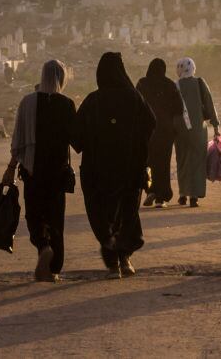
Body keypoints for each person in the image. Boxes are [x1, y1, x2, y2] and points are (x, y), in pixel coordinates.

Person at [72, 52, 155, 278]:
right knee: (127, 213)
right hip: (129, 168)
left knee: (103, 214)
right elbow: (151, 123)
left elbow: (76, 137)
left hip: (98, 172)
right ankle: (125, 259)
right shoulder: (134, 98)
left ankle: (112, 262)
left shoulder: (93, 101)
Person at [2, 60, 76, 282]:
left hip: (32, 170)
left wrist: (10, 168)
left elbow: (19, 141)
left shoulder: (28, 102)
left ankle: (43, 247)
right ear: (62, 79)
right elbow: (77, 139)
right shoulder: (66, 104)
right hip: (58, 171)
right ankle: (52, 269)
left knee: (34, 215)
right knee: (56, 219)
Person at [137, 58, 185, 208]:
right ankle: (161, 197)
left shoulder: (142, 84)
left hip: (147, 131)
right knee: (163, 163)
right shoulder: (170, 85)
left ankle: (150, 189)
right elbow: (179, 108)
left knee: (149, 161)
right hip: (165, 130)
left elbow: (135, 104)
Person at [175, 57, 219, 208]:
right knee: (197, 161)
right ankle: (194, 196)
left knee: (182, 160)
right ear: (193, 68)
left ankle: (182, 194)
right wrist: (216, 126)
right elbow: (209, 104)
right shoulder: (200, 83)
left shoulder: (176, 85)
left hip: (180, 129)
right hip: (198, 129)